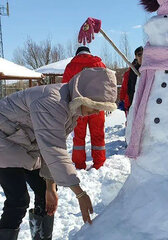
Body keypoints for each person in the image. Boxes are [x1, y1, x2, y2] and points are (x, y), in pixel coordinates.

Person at [0, 67, 117, 239]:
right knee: (18, 200)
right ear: (82, 95)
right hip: (4, 141)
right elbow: (53, 149)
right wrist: (79, 193)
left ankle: (42, 237)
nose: (95, 112)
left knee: (44, 193)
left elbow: (50, 145)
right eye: (94, 105)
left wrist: (50, 185)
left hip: (25, 144)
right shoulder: (52, 102)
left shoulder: (71, 108)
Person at [62, 46, 107, 170]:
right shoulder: (99, 64)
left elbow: (65, 87)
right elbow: (106, 85)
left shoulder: (70, 66)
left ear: (77, 54)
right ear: (89, 53)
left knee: (79, 137)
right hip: (97, 106)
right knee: (98, 135)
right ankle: (99, 163)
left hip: (79, 108)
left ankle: (79, 164)